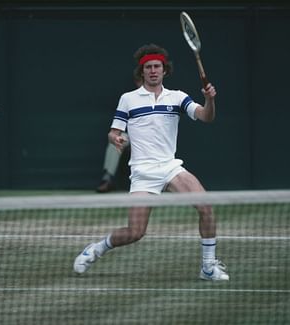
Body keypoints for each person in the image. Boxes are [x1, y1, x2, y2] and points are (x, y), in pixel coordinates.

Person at [75, 43, 228, 281]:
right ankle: (96, 249)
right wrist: (114, 137)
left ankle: (208, 267)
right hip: (142, 173)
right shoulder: (128, 99)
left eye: (157, 66)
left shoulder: (178, 97)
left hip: (170, 167)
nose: (153, 71)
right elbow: (114, 131)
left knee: (206, 207)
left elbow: (206, 117)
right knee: (136, 233)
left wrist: (210, 100)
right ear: (142, 71)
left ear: (164, 70)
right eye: (148, 67)